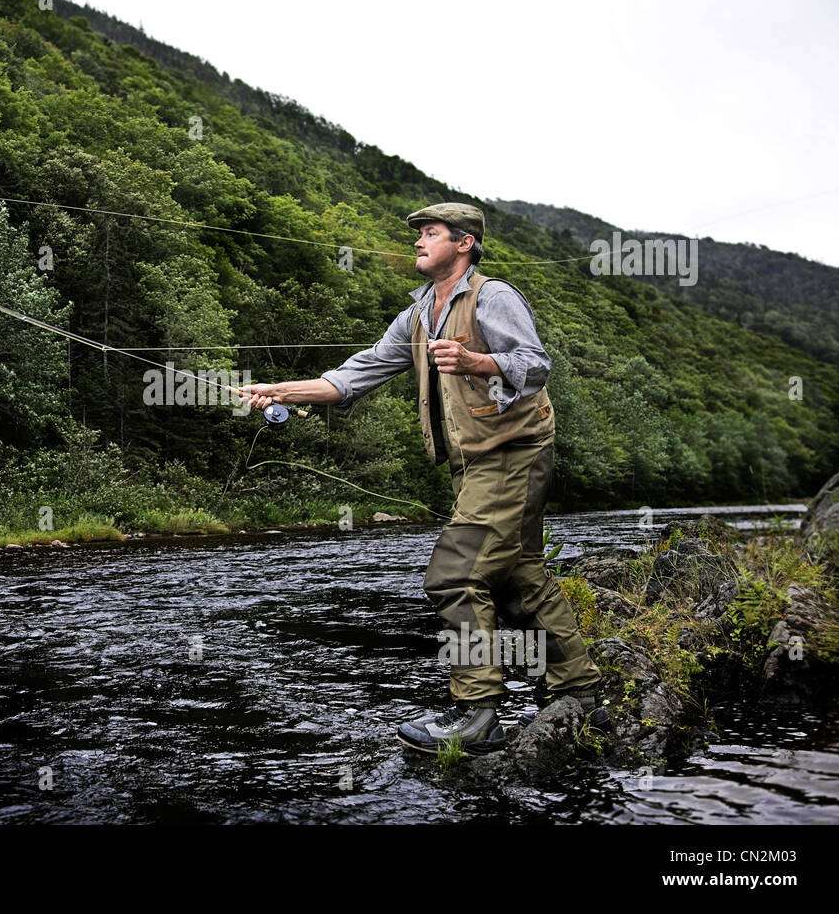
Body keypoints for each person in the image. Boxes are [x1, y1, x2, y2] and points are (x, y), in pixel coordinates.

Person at [238, 202, 607, 755]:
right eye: (418, 235)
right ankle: (580, 691)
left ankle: (478, 715)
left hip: (514, 452)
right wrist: (278, 391)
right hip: (474, 465)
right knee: (516, 575)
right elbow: (348, 378)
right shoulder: (415, 316)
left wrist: (480, 362)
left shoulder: (493, 296)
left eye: (429, 233)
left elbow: (536, 363)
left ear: (463, 243)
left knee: (454, 574)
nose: (416, 242)